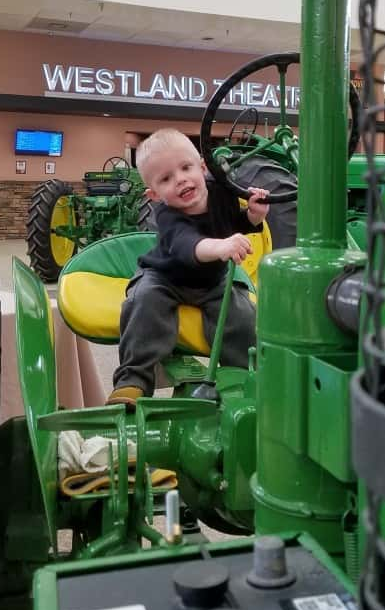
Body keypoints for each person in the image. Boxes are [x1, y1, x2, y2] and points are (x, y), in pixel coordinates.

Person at [108, 128, 270, 406]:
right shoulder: (167, 214)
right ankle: (133, 380)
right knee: (143, 302)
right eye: (166, 178)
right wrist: (221, 247)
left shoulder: (222, 192)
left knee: (242, 315)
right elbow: (187, 245)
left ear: (203, 167)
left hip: (212, 282)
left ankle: (246, 377)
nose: (180, 180)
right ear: (155, 194)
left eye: (186, 168)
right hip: (165, 277)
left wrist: (254, 215)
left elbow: (235, 221)